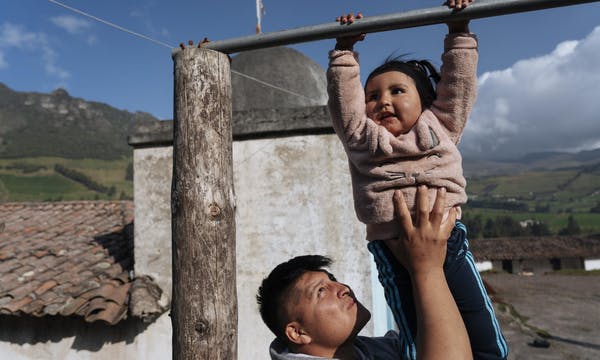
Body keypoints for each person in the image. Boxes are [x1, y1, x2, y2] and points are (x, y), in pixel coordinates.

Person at [327, 1, 507, 359]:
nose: (383, 101)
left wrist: (458, 32)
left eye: (397, 91)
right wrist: (344, 52)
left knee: (481, 328)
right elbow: (342, 104)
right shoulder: (362, 140)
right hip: (393, 251)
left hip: (448, 242)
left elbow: (458, 86)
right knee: (416, 330)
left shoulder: (440, 127)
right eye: (372, 96)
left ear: (424, 102)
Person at [257, 187, 472, 359]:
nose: (342, 289)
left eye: (332, 280)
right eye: (321, 291)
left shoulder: (376, 351)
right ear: (298, 333)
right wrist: (427, 268)